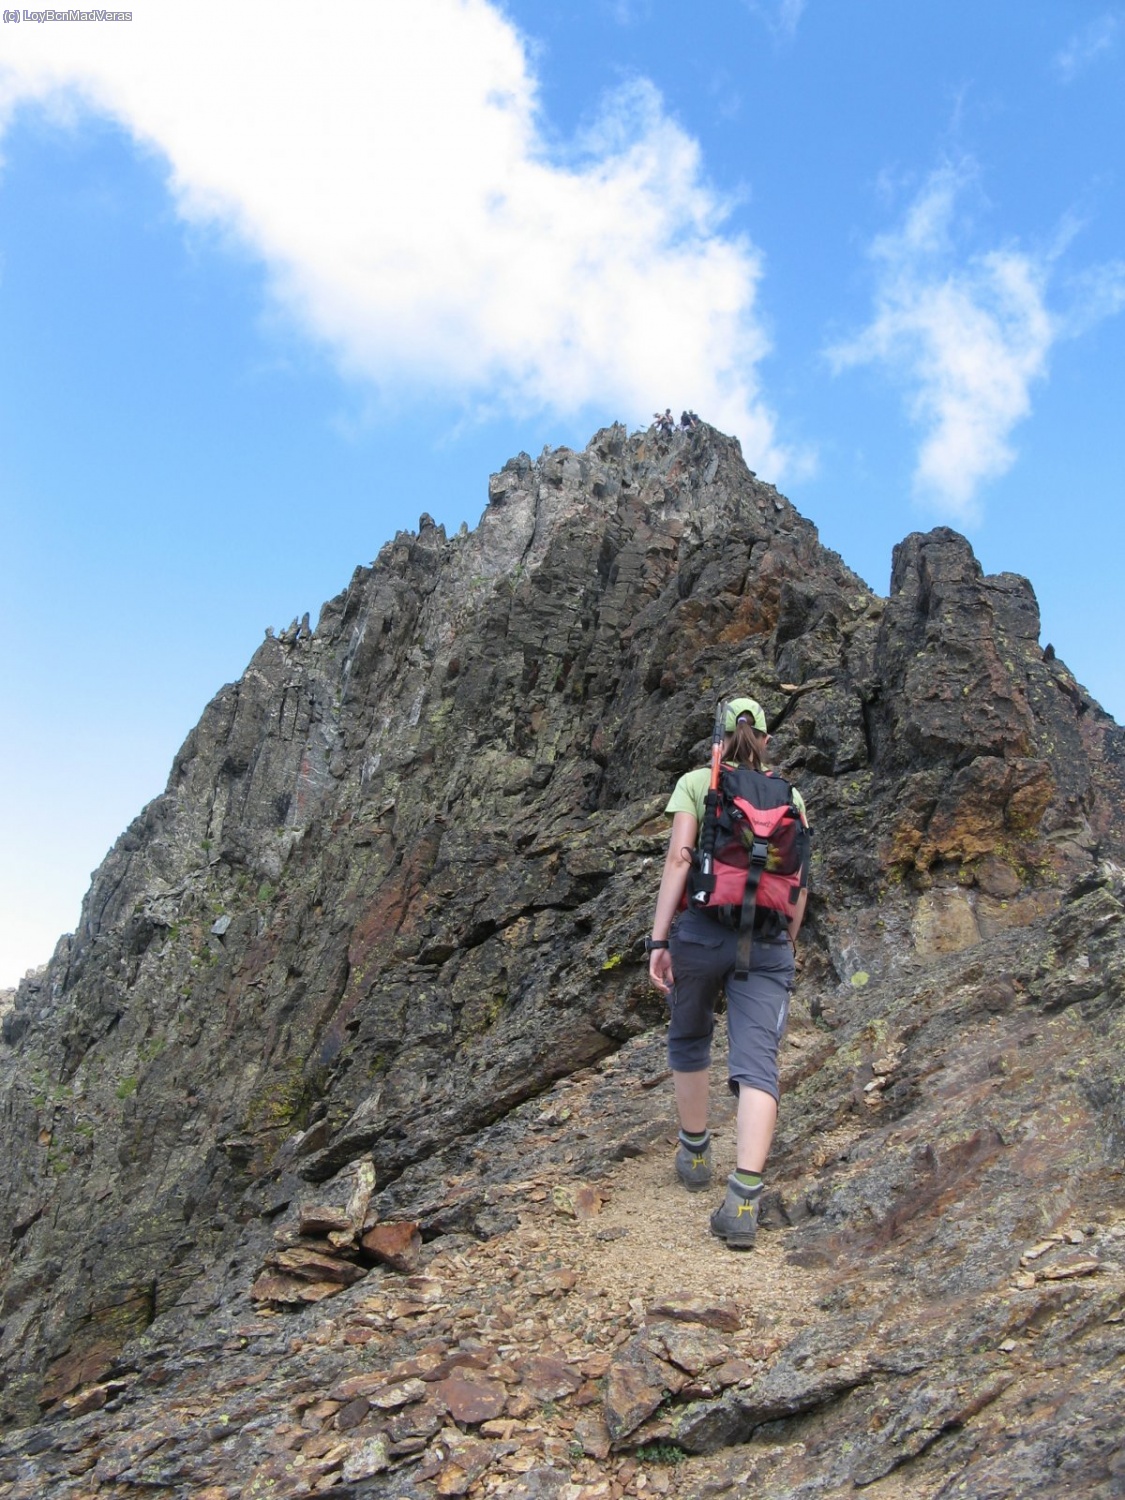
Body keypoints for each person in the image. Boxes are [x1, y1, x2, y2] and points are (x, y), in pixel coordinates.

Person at [646, 696, 809, 1249]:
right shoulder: (792, 796)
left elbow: (679, 861)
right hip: (765, 942)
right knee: (757, 1060)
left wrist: (660, 938)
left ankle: (694, 1153)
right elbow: (800, 884)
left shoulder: (697, 781)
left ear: (719, 736)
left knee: (690, 1034)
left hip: (700, 933)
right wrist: (784, 944)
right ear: (764, 740)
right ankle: (743, 1197)